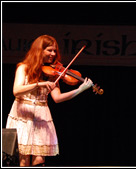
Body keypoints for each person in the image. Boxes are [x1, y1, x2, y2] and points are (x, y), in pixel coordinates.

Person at [5, 35, 93, 167]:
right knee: (24, 160)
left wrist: (80, 90)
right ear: (39, 50)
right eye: (49, 50)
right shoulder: (23, 68)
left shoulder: (51, 73)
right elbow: (16, 91)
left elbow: (57, 98)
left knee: (39, 160)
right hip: (23, 114)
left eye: (55, 51)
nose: (53, 54)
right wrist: (39, 84)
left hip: (41, 115)